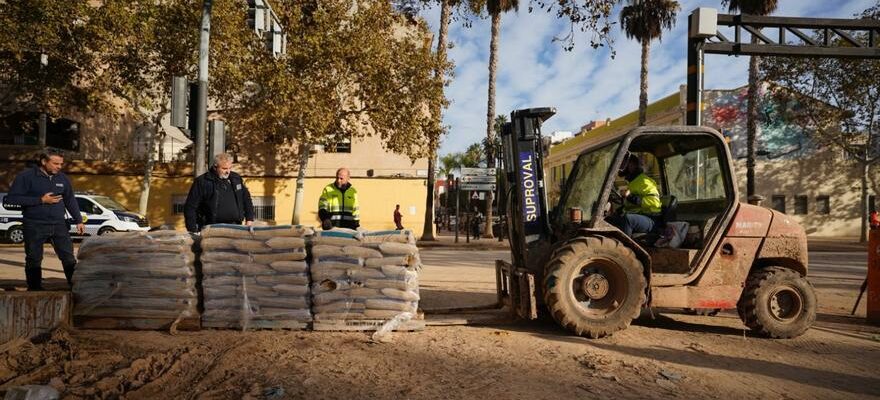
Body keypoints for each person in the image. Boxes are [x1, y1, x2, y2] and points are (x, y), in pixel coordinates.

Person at [6, 150, 85, 291]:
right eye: (55, 163)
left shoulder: (63, 178)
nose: (59, 167)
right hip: (34, 224)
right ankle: (35, 289)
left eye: (61, 164)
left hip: (59, 224)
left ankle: (76, 288)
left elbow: (70, 200)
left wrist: (78, 220)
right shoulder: (26, 177)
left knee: (68, 258)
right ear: (44, 162)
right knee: (34, 258)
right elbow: (12, 198)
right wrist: (40, 200)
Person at [184, 153, 255, 232]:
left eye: (230, 168)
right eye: (224, 168)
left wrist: (249, 219)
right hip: (211, 228)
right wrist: (193, 229)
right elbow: (190, 207)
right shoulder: (202, 182)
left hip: (236, 226)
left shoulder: (236, 178)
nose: (228, 171)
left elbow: (246, 199)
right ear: (215, 167)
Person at [609, 153, 662, 237]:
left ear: (631, 165)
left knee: (628, 220)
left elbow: (654, 202)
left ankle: (625, 248)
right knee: (609, 220)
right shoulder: (632, 182)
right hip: (640, 216)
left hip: (651, 219)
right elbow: (631, 206)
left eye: (622, 164)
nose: (620, 167)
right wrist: (618, 211)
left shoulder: (644, 181)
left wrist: (630, 197)